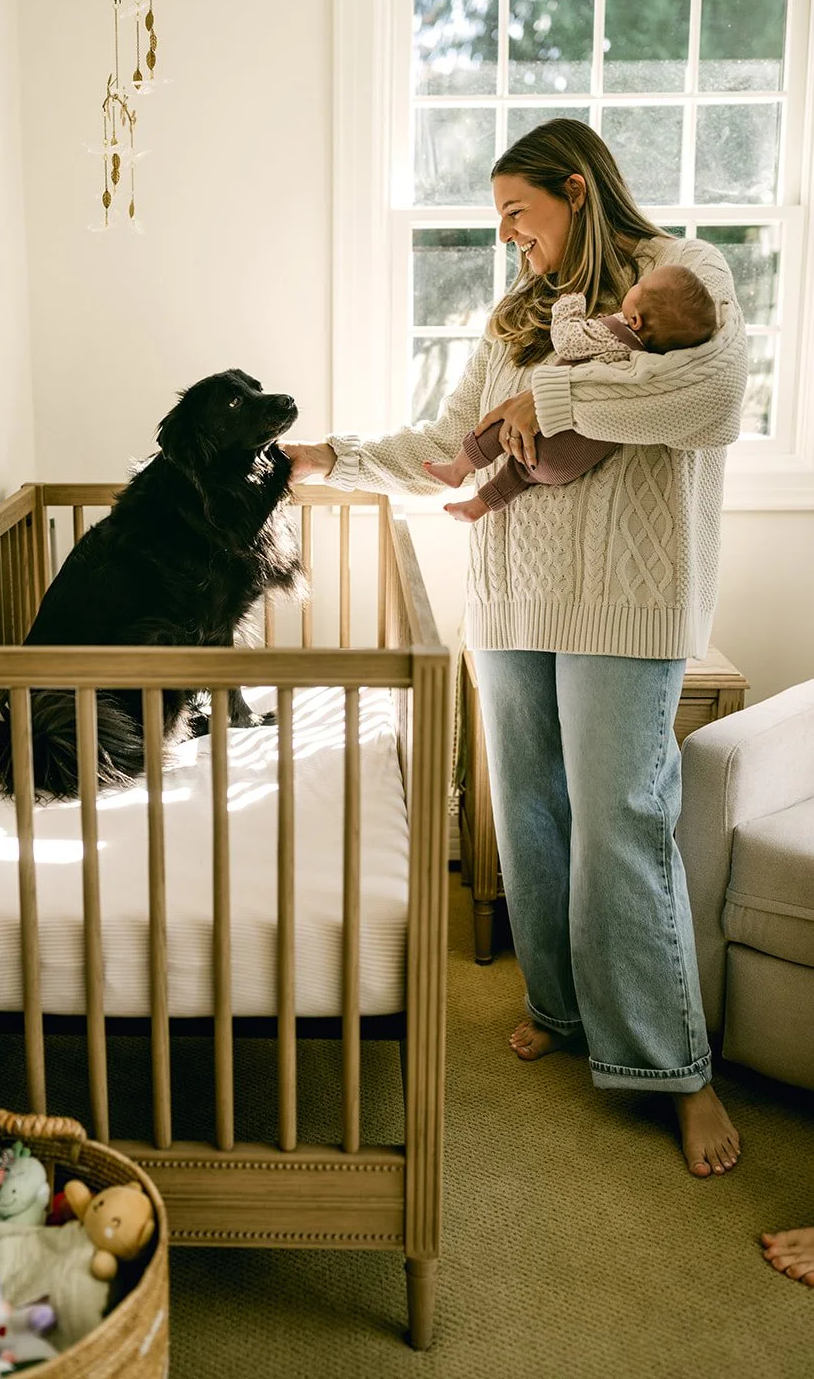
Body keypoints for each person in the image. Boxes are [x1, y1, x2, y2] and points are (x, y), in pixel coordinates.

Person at [283, 118, 748, 1178]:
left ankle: (674, 1067)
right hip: (510, 600)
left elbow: (710, 399)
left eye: (516, 216)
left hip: (625, 606)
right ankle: (564, 1006)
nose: (508, 240)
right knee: (528, 815)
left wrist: (544, 395)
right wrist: (332, 455)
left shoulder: (682, 271)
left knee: (620, 821)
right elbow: (453, 449)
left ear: (574, 191)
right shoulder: (513, 317)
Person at [425, 264, 719, 522]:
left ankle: (457, 468)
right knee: (519, 473)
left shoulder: (613, 334)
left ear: (636, 320)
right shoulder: (648, 366)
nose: (634, 284)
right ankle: (478, 505)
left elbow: (568, 341)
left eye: (639, 286)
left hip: (547, 437)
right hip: (569, 462)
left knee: (502, 427)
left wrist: (569, 305)